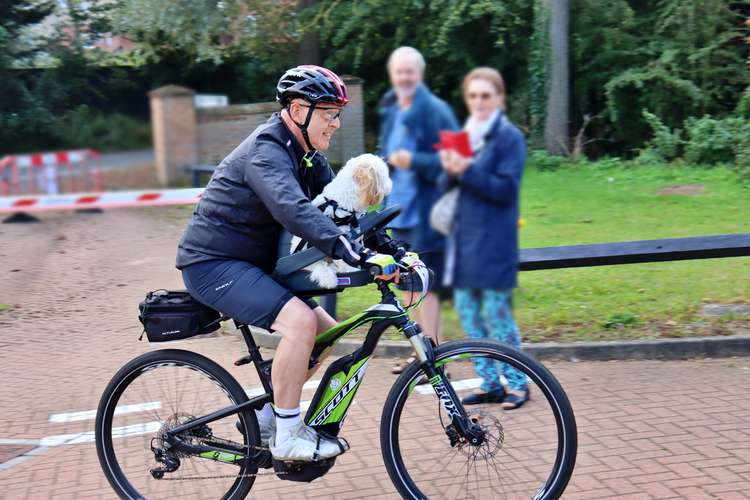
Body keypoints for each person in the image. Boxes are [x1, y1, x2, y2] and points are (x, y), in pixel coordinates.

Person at [176, 65, 400, 461]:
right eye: (329, 114)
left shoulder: (309, 157)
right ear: (299, 112)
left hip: (251, 266)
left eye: (337, 115)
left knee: (325, 331)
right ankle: (287, 434)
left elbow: (337, 210)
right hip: (212, 263)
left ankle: (266, 418)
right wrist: (347, 250)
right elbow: (292, 208)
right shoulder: (267, 150)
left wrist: (387, 247)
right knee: (300, 323)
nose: (335, 124)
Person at [439, 67, 529, 410]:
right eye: (473, 96)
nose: (479, 102)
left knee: (497, 313)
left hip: (495, 240)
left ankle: (518, 383)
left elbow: (505, 190)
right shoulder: (463, 136)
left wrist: (467, 170)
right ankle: (490, 382)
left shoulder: (508, 138)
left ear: (499, 99)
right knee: (469, 313)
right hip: (464, 240)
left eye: (486, 96)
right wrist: (448, 170)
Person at [379, 46, 459, 374]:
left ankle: (433, 356)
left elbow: (458, 160)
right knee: (410, 286)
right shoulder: (392, 108)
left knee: (428, 288)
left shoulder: (438, 110)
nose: (404, 78)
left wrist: (416, 161)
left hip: (429, 215)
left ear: (419, 74)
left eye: (409, 72)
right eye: (399, 72)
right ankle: (423, 352)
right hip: (400, 213)